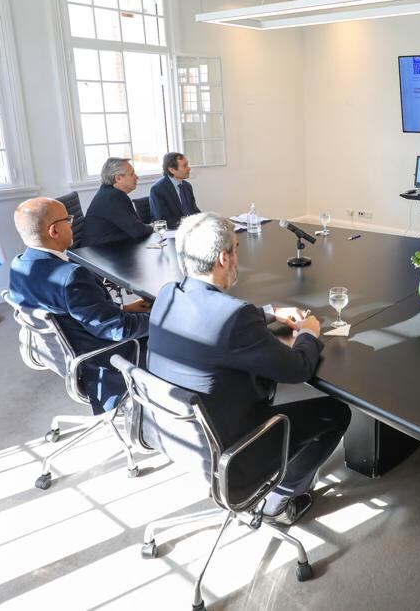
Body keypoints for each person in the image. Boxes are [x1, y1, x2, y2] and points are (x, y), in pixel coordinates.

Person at [145, 212, 351, 526]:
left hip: (172, 432)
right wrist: (309, 331)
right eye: (237, 250)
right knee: (336, 412)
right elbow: (298, 370)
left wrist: (269, 312)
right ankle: (278, 500)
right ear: (224, 258)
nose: (238, 257)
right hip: (234, 448)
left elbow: (212, 318)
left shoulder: (167, 296)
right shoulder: (234, 317)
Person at [8, 197, 151, 414]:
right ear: (54, 230)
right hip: (99, 360)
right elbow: (117, 330)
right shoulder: (71, 276)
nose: (72, 224)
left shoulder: (19, 264)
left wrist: (122, 309)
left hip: (60, 354)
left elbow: (69, 312)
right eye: (68, 219)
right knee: (171, 335)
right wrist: (162, 320)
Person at [85, 158, 153, 246]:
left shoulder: (109, 192)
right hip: (99, 252)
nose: (136, 177)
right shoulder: (113, 197)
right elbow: (137, 230)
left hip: (108, 248)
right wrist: (152, 227)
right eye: (132, 174)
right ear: (118, 178)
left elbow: (135, 227)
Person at [149, 152, 200, 229]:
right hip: (171, 232)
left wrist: (204, 220)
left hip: (189, 229)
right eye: (185, 166)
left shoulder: (187, 186)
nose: (189, 168)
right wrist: (188, 224)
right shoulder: (158, 189)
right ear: (172, 170)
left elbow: (194, 211)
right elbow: (163, 220)